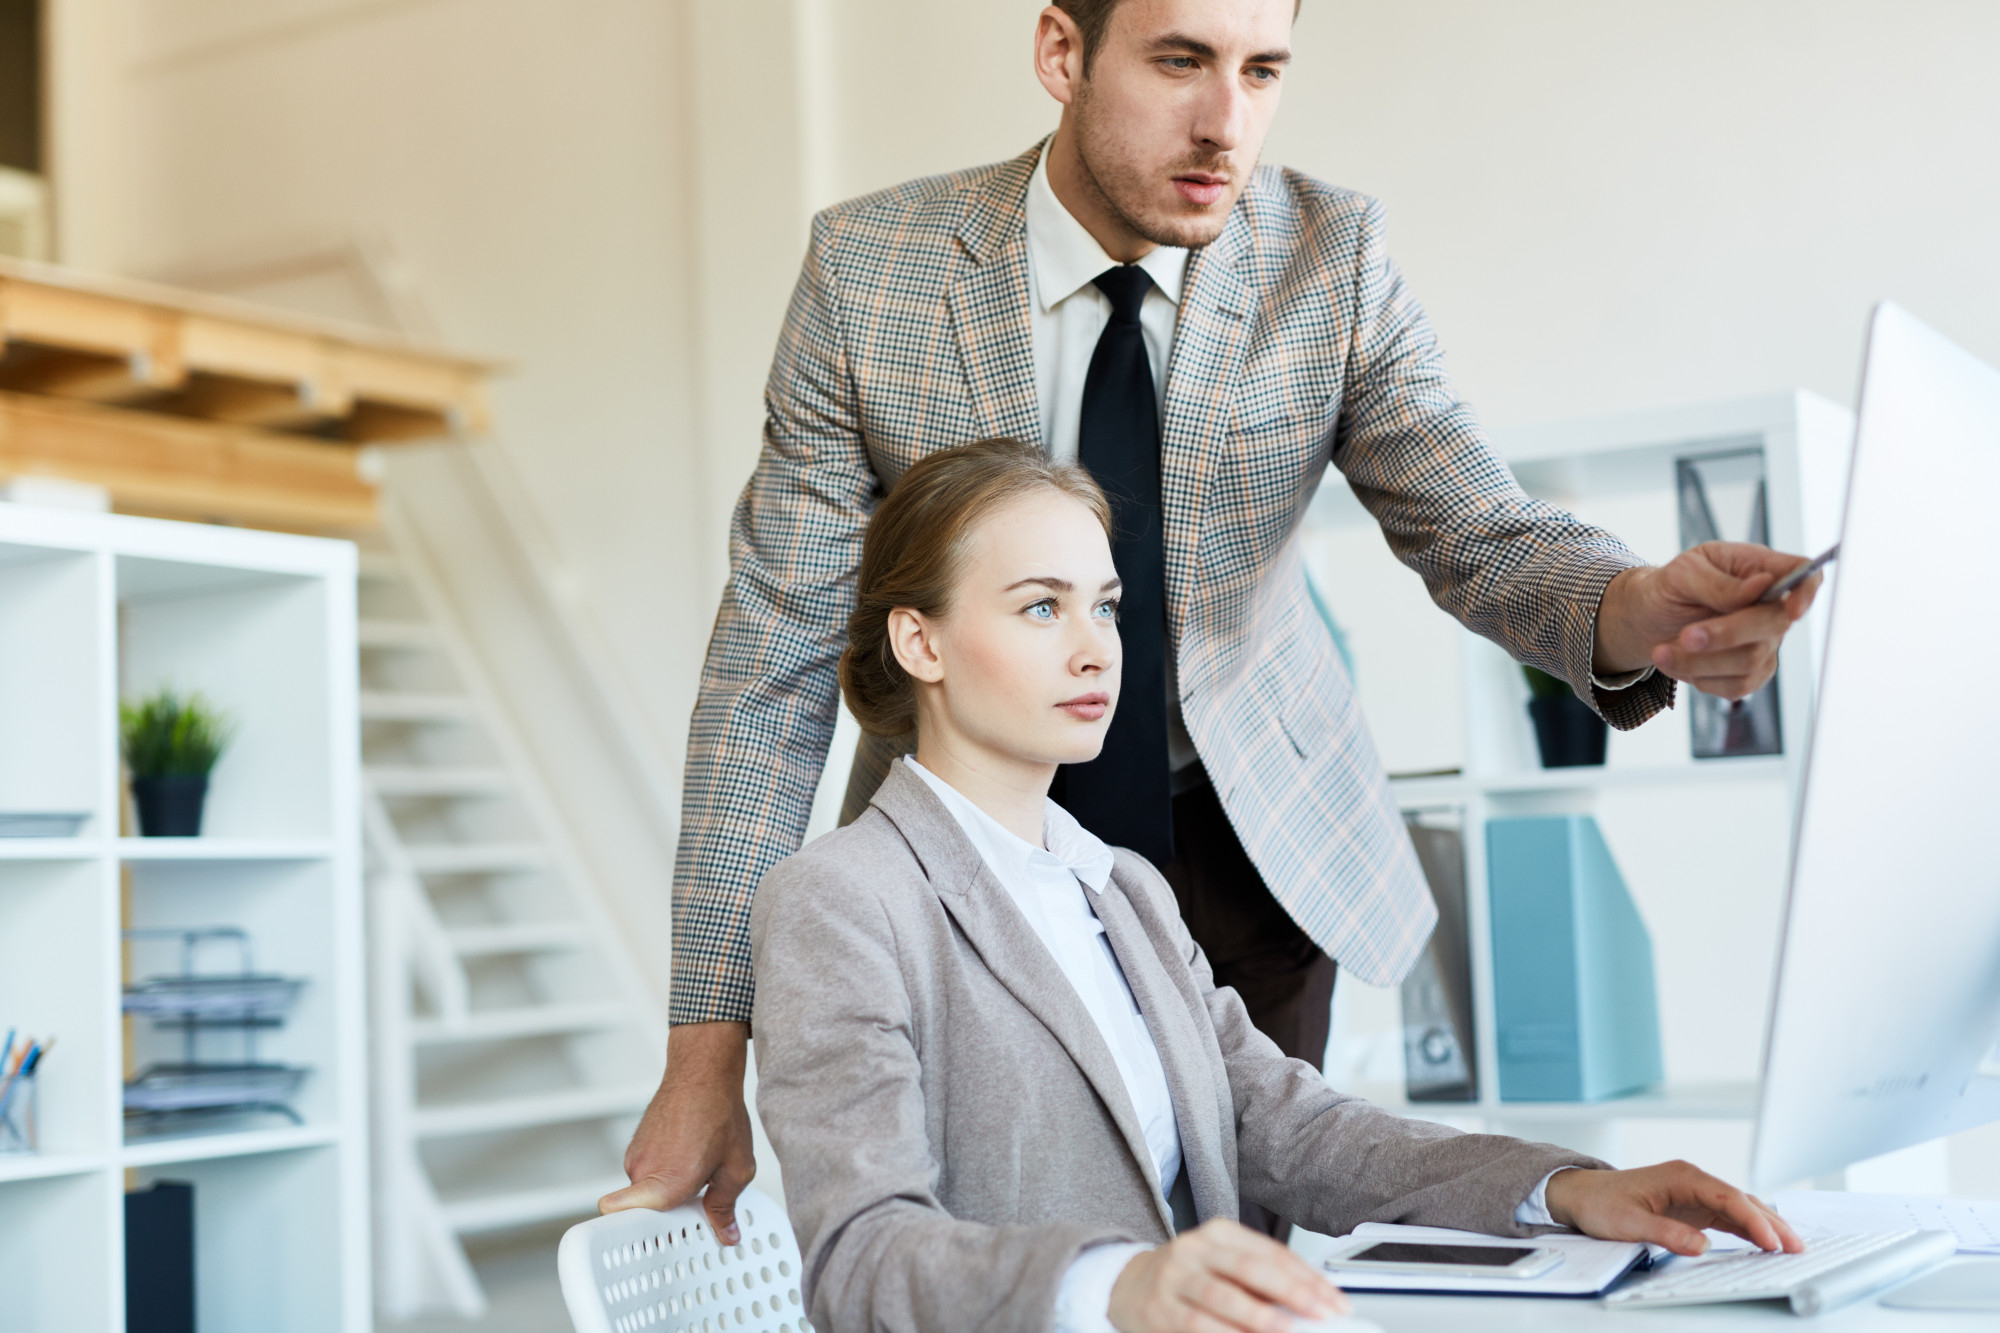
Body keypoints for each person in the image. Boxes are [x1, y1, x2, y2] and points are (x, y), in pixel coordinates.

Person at [602, 0, 1823, 1239]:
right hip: (970, 844)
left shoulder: (1328, 257)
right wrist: (705, 1052)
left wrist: (1633, 608)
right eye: (1179, 62)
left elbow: (1477, 529)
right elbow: (772, 669)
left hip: (1249, 843)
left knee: (1240, 1240)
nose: (1222, 123)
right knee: (991, 1242)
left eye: (1261, 71)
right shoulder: (874, 275)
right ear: (1061, 55)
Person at [750, 439, 1802, 1333]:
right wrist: (1118, 1284)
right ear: (918, 638)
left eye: (1106, 608)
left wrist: (1561, 1187)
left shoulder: (1116, 888)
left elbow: (1289, 1127)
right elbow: (859, 1259)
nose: (1093, 650)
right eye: (1039, 608)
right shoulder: (842, 899)